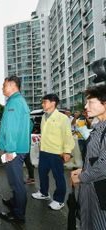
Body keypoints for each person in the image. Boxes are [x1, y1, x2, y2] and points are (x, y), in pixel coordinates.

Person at [71, 85, 106, 230]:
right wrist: (83, 169)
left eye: (90, 102)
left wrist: (81, 177)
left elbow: (103, 167)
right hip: (91, 191)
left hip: (100, 195)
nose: (86, 106)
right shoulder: (100, 126)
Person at [32, 94, 74, 210]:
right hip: (44, 151)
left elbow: (67, 136)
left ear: (53, 103)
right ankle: (44, 193)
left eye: (44, 102)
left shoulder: (63, 118)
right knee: (42, 173)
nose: (42, 104)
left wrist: (67, 152)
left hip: (56, 152)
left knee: (58, 177)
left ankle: (59, 200)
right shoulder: (44, 117)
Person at [0, 76, 31, 224]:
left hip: (14, 150)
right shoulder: (18, 101)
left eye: (4, 85)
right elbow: (28, 125)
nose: (2, 88)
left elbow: (11, 128)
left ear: (12, 86)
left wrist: (10, 149)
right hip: (18, 148)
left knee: (17, 184)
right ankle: (14, 202)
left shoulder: (15, 102)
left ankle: (18, 216)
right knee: (14, 181)